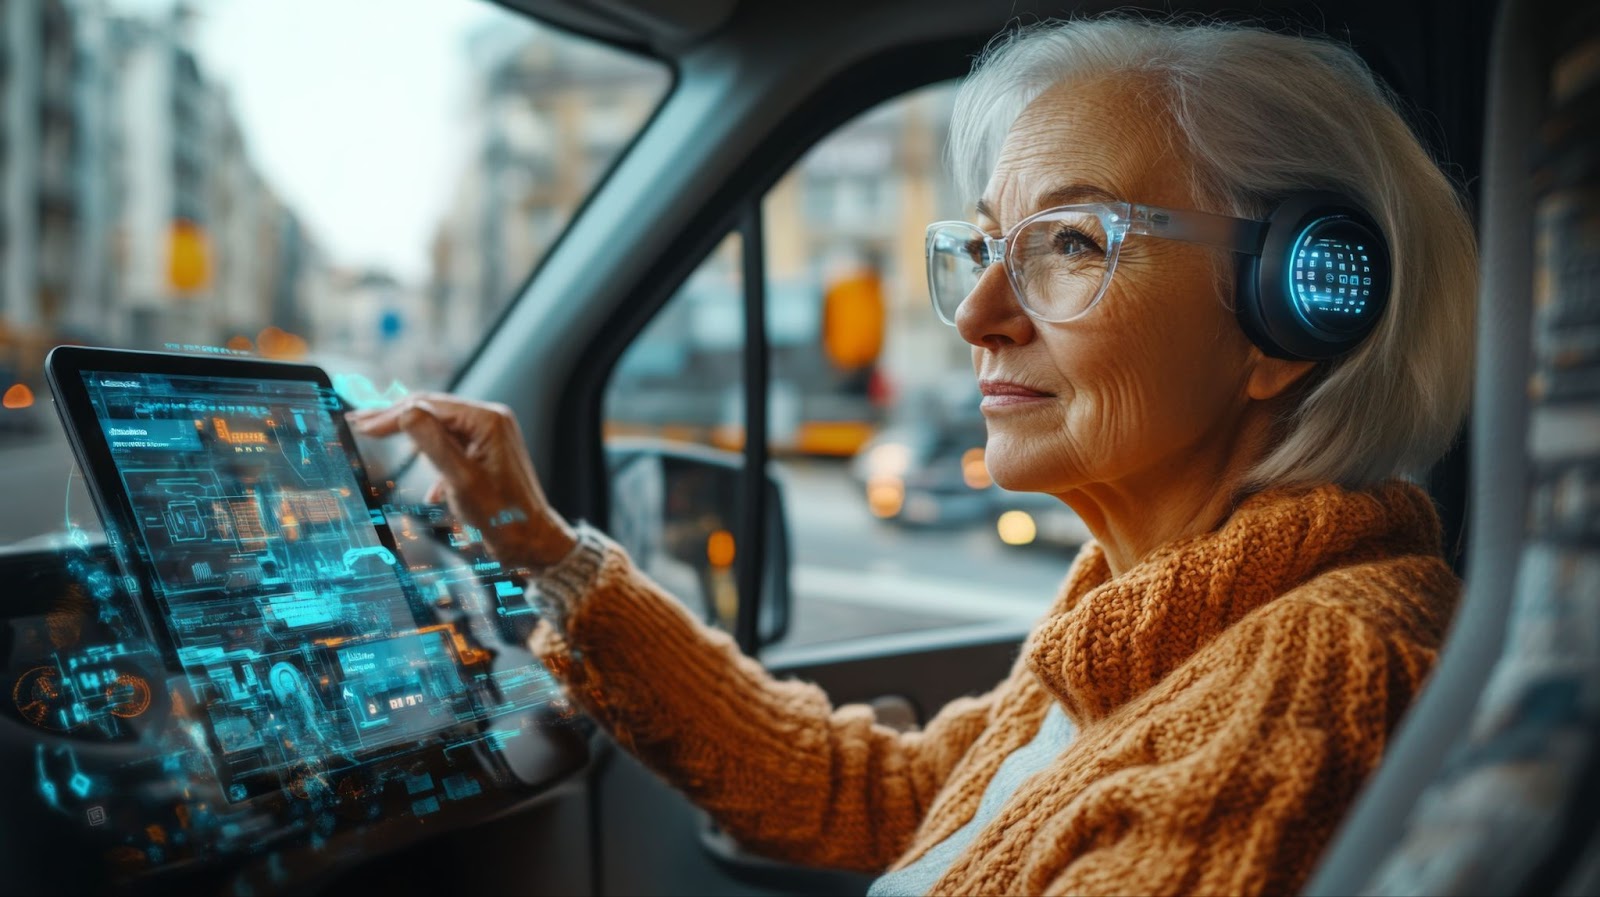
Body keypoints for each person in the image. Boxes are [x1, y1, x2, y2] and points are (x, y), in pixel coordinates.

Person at [350, 16, 1476, 897]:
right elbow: (879, 792)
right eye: (987, 246)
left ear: (1289, 317)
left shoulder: (1315, 681)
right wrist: (545, 551)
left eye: (1071, 243)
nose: (980, 311)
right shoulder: (1143, 627)